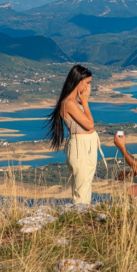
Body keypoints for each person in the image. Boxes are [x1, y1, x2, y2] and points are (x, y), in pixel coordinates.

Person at [45, 65, 104, 204]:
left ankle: (83, 214)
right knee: (81, 187)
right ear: (78, 81)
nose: (89, 87)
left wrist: (82, 102)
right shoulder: (69, 103)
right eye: (87, 83)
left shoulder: (74, 102)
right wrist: (85, 102)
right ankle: (81, 217)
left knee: (85, 183)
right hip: (80, 146)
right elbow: (89, 124)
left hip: (86, 145)